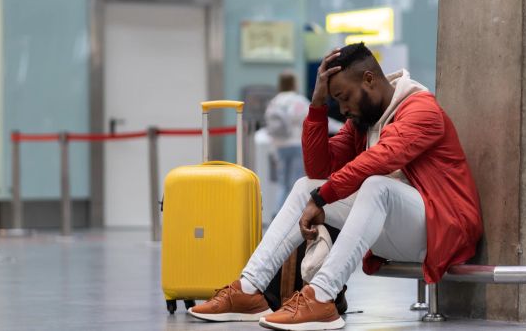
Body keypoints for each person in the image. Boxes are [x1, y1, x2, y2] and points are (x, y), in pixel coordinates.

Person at [188, 43, 483, 330]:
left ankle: (321, 297)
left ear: (369, 79)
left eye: (344, 97)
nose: (342, 109)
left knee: (375, 185)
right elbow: (318, 169)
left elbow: (379, 159)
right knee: (306, 186)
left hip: (442, 228)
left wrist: (323, 198)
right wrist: (316, 106)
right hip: (396, 229)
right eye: (336, 102)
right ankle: (249, 290)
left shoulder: (422, 110)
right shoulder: (363, 122)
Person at [264, 71, 310, 219]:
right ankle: (294, 216)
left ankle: (278, 214)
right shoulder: (299, 101)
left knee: (282, 183)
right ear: (294, 83)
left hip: (279, 146)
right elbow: (310, 119)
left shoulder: (274, 101)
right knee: (296, 182)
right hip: (297, 144)